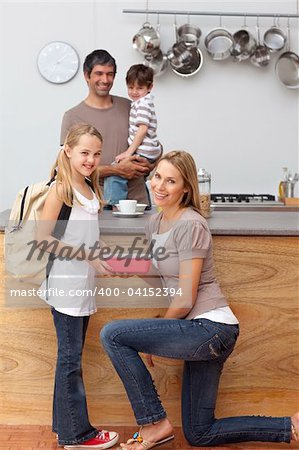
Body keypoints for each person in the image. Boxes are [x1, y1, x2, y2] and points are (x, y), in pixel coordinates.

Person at [100, 150, 299, 448]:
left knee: (113, 335)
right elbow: (161, 274)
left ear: (186, 188)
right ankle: (291, 427)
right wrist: (120, 266)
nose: (160, 186)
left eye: (171, 181)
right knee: (199, 433)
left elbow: (185, 298)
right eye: (157, 177)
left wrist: (154, 340)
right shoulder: (153, 223)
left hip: (211, 328)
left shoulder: (191, 224)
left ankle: (154, 423)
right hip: (199, 332)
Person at [38, 124, 118, 448]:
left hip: (82, 284)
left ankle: (64, 428)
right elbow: (42, 239)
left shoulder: (88, 186)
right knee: (70, 361)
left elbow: (83, 238)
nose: (91, 159)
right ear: (69, 150)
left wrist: (104, 259)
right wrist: (88, 255)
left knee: (68, 359)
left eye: (96, 154)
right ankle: (78, 434)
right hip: (66, 286)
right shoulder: (61, 190)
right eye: (85, 152)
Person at [60, 49, 159, 208]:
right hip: (93, 203)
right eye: (99, 73)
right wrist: (116, 170)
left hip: (138, 202)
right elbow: (66, 169)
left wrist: (152, 163)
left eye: (110, 74)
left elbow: (151, 142)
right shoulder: (72, 116)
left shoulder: (131, 106)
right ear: (87, 75)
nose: (105, 79)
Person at [104, 64, 161, 206]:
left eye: (139, 88)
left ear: (149, 87)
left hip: (144, 151)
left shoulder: (142, 104)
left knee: (116, 171)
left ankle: (114, 204)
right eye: (131, 87)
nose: (134, 92)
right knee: (135, 176)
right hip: (150, 150)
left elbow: (142, 129)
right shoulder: (142, 102)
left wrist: (128, 153)